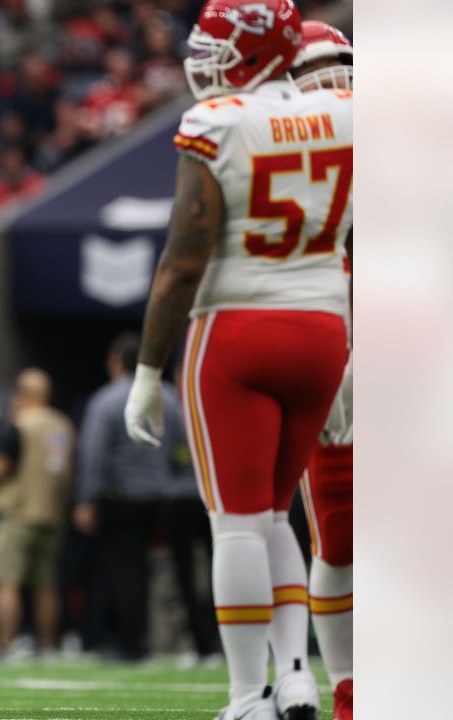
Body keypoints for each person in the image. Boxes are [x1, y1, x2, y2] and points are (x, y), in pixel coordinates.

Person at [122, 2, 352, 718]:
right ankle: (294, 676)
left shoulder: (217, 122)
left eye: (216, 44)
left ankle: (247, 694)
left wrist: (147, 371)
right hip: (324, 329)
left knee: (240, 523)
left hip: (239, 327)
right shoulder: (350, 114)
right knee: (279, 516)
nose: (203, 58)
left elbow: (183, 261)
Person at [73, 333, 215, 663]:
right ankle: (202, 642)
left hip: (124, 498)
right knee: (183, 570)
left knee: (127, 570)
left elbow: (94, 455)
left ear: (116, 362)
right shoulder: (167, 396)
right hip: (167, 497)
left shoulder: (106, 400)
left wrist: (86, 499)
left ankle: (132, 644)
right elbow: (185, 448)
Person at [290, 20, 354, 720]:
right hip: (330, 334)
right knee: (336, 530)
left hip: (326, 332)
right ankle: (348, 686)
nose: (334, 83)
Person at [0, 369, 73, 662]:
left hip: (18, 513)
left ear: (21, 395)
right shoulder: (62, 425)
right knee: (45, 584)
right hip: (52, 514)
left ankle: (4, 645)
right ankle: (48, 646)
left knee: (5, 580)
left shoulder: (19, 425)